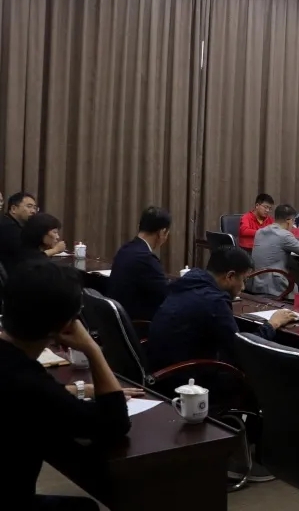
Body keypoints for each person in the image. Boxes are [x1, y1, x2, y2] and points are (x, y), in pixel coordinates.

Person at [1, 261, 139, 510]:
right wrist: (93, 349)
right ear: (67, 325)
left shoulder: (18, 373)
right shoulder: (30, 384)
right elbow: (114, 424)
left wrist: (79, 390)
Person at [148, 248, 293, 372]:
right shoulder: (214, 301)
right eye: (243, 280)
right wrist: (272, 324)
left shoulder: (187, 283)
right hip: (187, 379)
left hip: (160, 368)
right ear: (230, 276)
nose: (243, 287)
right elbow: (242, 352)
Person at [108, 206, 172, 323]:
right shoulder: (147, 259)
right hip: (137, 325)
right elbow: (166, 295)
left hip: (117, 323)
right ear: (162, 232)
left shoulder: (124, 249)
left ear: (139, 227)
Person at [250, 204, 299, 296]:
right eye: (293, 221)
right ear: (289, 221)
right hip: (275, 286)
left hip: (256, 283)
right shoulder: (284, 235)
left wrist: (298, 244)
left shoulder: (259, 232)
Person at [0, 191, 39, 272]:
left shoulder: (17, 225)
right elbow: (28, 256)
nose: (33, 211)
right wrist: (54, 250)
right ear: (13, 209)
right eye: (29, 206)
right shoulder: (8, 227)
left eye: (35, 208)